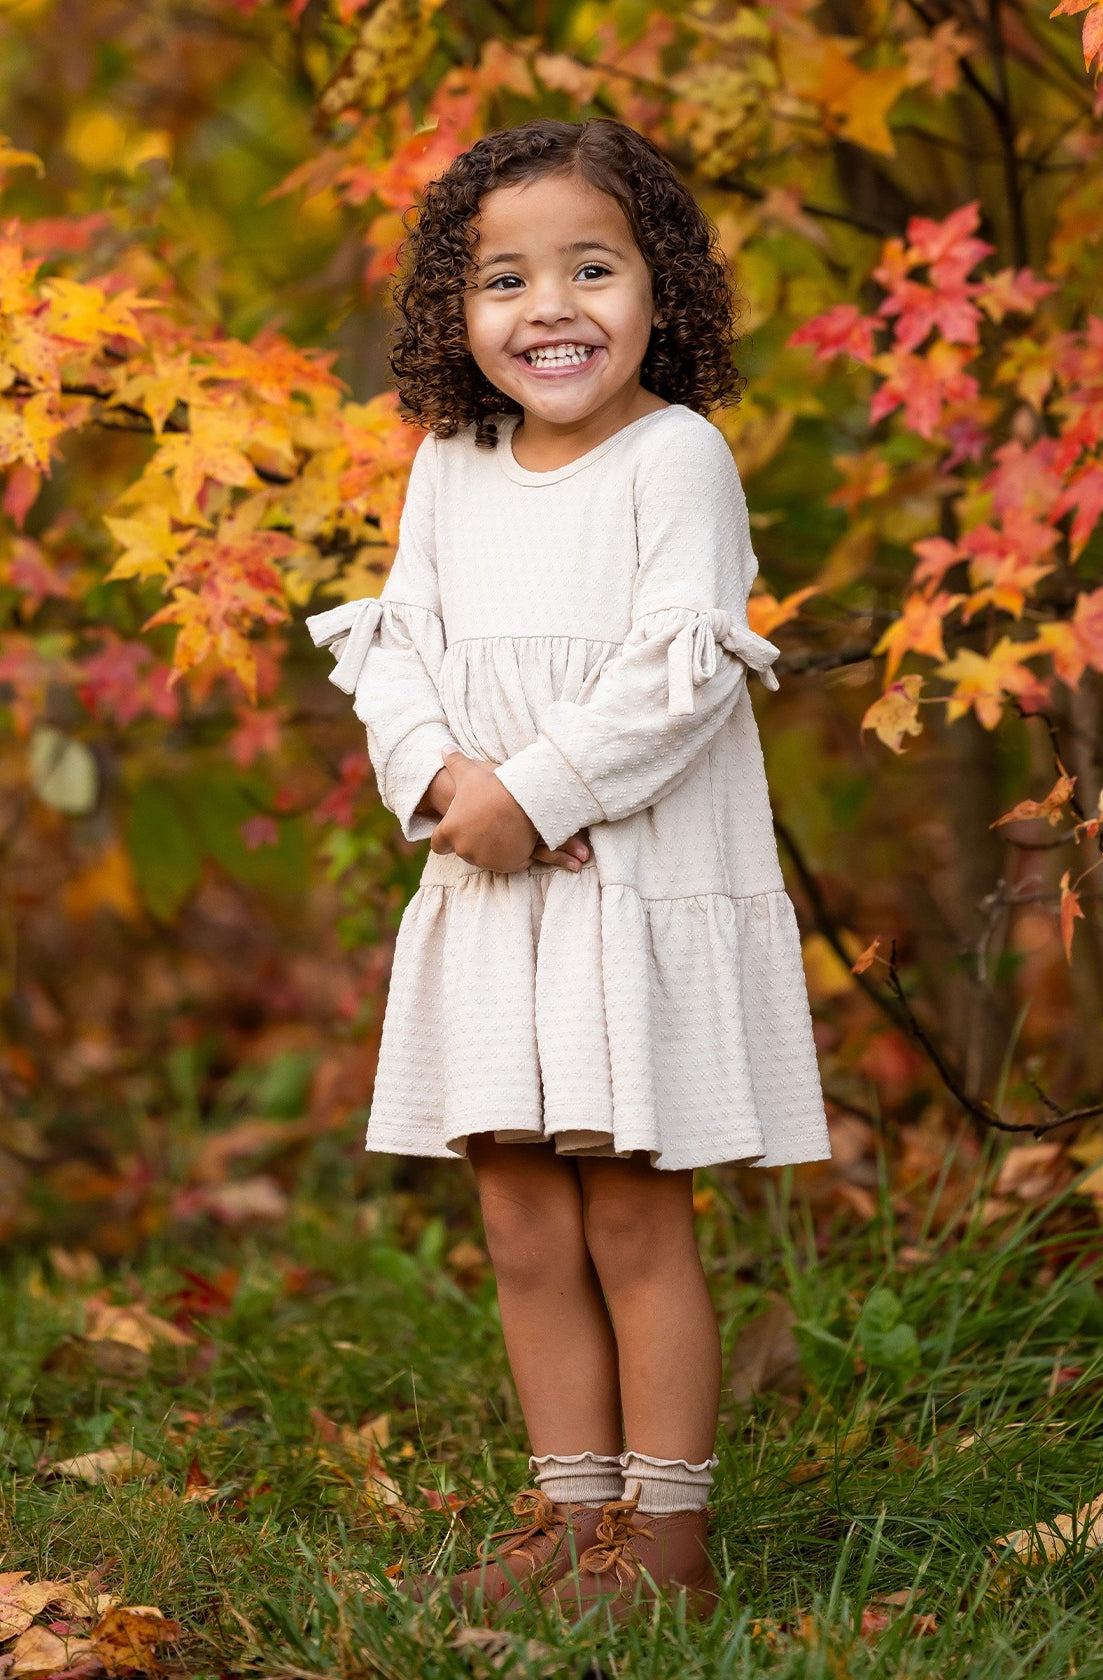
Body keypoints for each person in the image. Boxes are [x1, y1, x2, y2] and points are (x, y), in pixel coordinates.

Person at [307, 117, 830, 1621]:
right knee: (522, 1217)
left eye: (590, 269)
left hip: (622, 898)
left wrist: (534, 791)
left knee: (625, 1212)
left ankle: (662, 1541)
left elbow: (683, 678)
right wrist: (438, 781)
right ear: (450, 314)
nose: (549, 309)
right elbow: (394, 647)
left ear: (659, 289)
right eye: (504, 280)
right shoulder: (450, 464)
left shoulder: (675, 460)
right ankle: (571, 1511)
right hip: (490, 895)